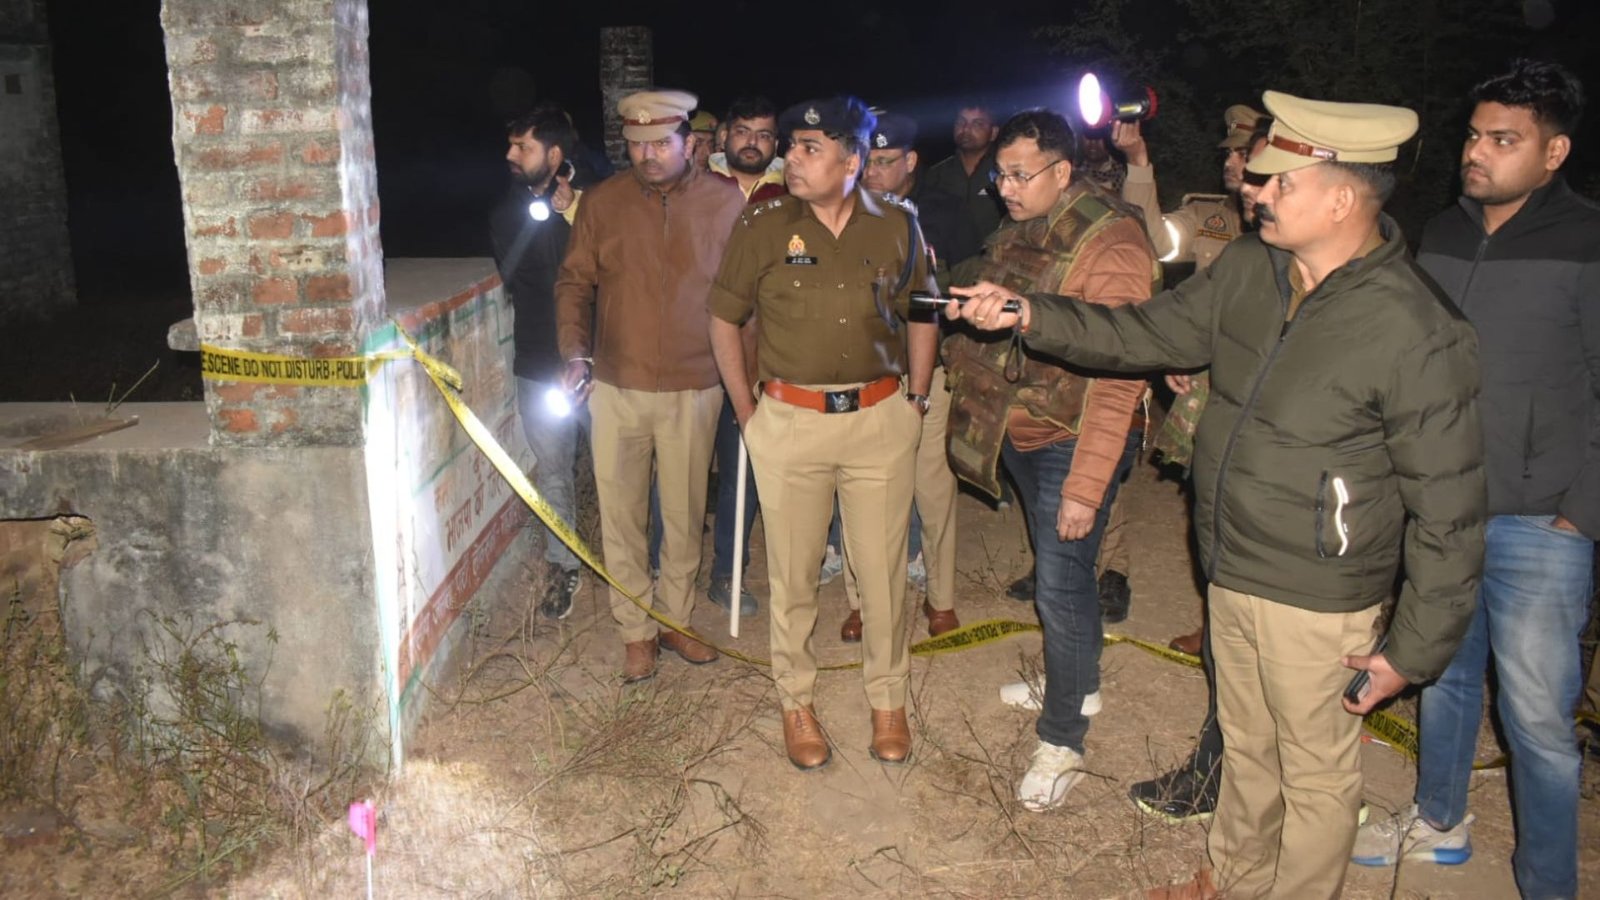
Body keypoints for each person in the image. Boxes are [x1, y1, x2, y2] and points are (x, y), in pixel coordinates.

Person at [947, 91, 1485, 900]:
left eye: (1279, 183)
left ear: (1341, 198)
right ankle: (1231, 878)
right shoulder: (1249, 271)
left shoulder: (1413, 327)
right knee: (1245, 739)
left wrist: (1411, 650)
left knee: (1314, 772)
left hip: (1320, 591)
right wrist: (1029, 311)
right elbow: (1139, 334)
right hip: (1229, 562)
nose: (1254, 192)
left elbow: (1449, 508)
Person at [1351, 59, 1596, 900]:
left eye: (1504, 139)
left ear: (1554, 151)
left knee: (1537, 726)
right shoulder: (1445, 233)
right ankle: (1439, 822)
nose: (1478, 152)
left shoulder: (1588, 240)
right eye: (1474, 135)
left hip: (1540, 522)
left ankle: (1550, 884)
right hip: (1444, 508)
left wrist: (1580, 513)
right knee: (1444, 680)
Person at [708, 97, 938, 771]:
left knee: (882, 574)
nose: (792, 159)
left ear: (852, 161)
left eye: (810, 148)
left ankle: (888, 702)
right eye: (793, 146)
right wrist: (748, 416)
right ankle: (797, 704)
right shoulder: (764, 223)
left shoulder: (897, 225)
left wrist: (916, 401)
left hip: (878, 422)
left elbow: (922, 311)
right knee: (794, 574)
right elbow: (724, 318)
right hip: (790, 422)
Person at [942, 108, 1157, 811]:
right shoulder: (1023, 228)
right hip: (1028, 435)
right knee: (1060, 580)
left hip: (1076, 439)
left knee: (1062, 591)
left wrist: (1086, 486)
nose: (1004, 187)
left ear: (1063, 171)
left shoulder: (1113, 241)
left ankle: (1063, 739)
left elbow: (1120, 373)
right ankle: (1082, 685)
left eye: (1019, 174)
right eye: (1000, 173)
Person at [1113, 108, 1272, 826]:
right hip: (1213, 395)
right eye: (1233, 154)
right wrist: (1139, 159)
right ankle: (1219, 628)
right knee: (1206, 518)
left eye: (1247, 155)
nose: (1233, 165)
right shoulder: (1212, 218)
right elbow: (1152, 239)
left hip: (1268, 422)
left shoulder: (1312, 244)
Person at [555, 89, 745, 683]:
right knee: (622, 513)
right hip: (616, 383)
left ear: (689, 142)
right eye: (637, 145)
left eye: (662, 142)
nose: (649, 155)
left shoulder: (725, 201)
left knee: (686, 515)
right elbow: (573, 282)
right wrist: (573, 351)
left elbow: (749, 297)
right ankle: (635, 629)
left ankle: (676, 620)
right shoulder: (603, 203)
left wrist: (751, 382)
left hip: (696, 384)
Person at [833, 111, 969, 643]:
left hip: (927, 369)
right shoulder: (844, 210)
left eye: (885, 163)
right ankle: (861, 601)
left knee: (933, 488)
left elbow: (968, 284)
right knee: (860, 489)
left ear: (911, 161)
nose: (872, 173)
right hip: (866, 372)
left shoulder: (944, 213)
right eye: (867, 162)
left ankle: (942, 598)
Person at [490, 105, 584, 620]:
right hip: (542, 362)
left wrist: (570, 208)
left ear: (553, 154)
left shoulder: (591, 199)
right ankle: (562, 565)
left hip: (600, 359)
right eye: (510, 144)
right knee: (553, 470)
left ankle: (642, 566)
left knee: (624, 469)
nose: (509, 154)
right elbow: (526, 268)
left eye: (521, 146)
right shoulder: (507, 211)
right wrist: (549, 207)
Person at [703, 95, 788, 618]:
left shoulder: (789, 196)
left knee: (743, 469)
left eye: (762, 133)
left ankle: (727, 574)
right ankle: (661, 570)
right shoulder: (696, 189)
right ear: (724, 138)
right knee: (683, 473)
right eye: (742, 131)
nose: (751, 141)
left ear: (774, 144)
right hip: (693, 352)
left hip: (756, 352)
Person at [924, 101, 1006, 246]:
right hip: (949, 263)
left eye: (977, 124)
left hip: (995, 260)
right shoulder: (936, 174)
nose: (966, 129)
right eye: (961, 122)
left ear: (993, 133)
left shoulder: (1005, 173)